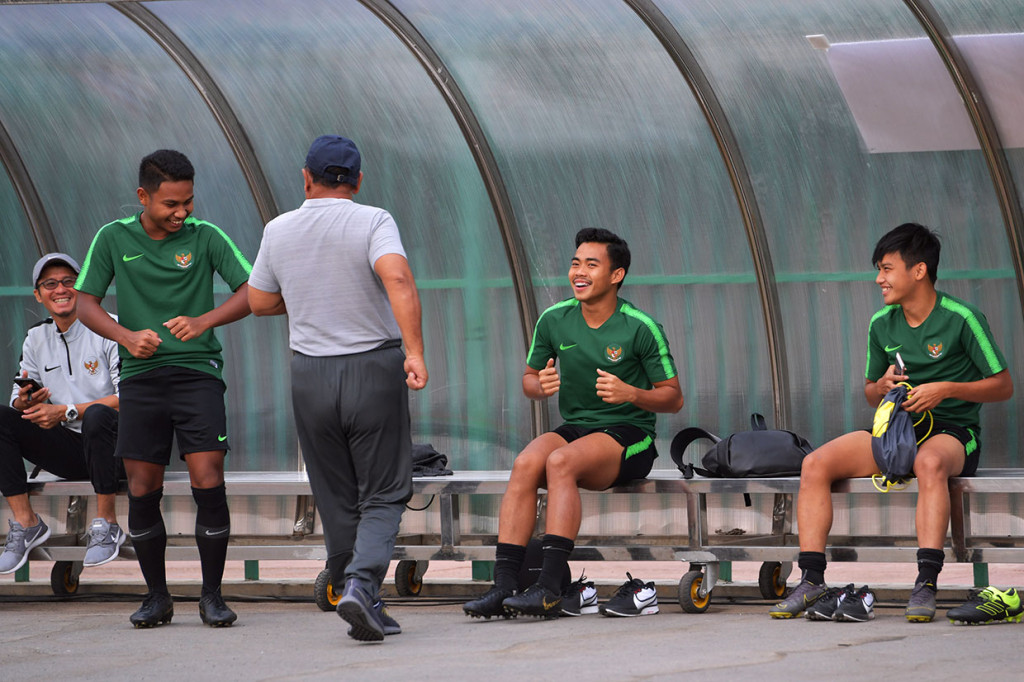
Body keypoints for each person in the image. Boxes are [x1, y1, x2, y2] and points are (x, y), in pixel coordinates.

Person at [769, 222, 1013, 623]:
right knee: (814, 464)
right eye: (878, 270)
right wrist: (881, 386)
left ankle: (926, 583)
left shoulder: (962, 317)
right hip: (895, 431)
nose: (879, 279)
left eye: (886, 269)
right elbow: (870, 391)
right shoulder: (881, 322)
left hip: (953, 432)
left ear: (918, 270)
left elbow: (1003, 386)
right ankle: (812, 580)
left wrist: (945, 390)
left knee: (928, 463)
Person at [248, 135, 428, 642]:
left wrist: (311, 294)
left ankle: (359, 593)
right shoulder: (373, 220)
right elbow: (397, 280)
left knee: (335, 493)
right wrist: (414, 352)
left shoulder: (278, 228)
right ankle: (362, 585)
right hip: (372, 369)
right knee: (385, 490)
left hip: (310, 376)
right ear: (358, 181)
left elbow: (259, 302)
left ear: (306, 177)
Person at [463, 227, 683, 620]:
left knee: (560, 461)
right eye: (575, 263)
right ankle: (504, 586)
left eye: (591, 265)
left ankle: (549, 589)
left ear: (616, 275)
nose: (579, 272)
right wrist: (540, 386)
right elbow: (530, 379)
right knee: (525, 463)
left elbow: (673, 397)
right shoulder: (554, 319)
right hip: (577, 427)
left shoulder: (639, 326)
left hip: (630, 436)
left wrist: (631, 393)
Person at [75, 150, 253, 628]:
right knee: (141, 487)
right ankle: (157, 597)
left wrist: (204, 321)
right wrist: (126, 337)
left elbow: (253, 290)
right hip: (140, 378)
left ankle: (212, 597)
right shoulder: (113, 237)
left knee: (208, 478)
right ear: (143, 196)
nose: (182, 213)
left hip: (198, 374)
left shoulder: (207, 236)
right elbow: (85, 302)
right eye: (171, 204)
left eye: (188, 202)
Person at [0, 253, 123, 574]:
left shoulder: (111, 327)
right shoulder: (36, 337)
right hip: (69, 451)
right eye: (50, 284)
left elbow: (130, 397)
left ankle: (108, 523)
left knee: (97, 416)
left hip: (117, 449)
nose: (60, 289)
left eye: (69, 281)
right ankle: (27, 523)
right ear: (38, 295)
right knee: (1, 418)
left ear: (82, 289)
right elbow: (17, 401)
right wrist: (26, 403)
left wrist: (65, 411)